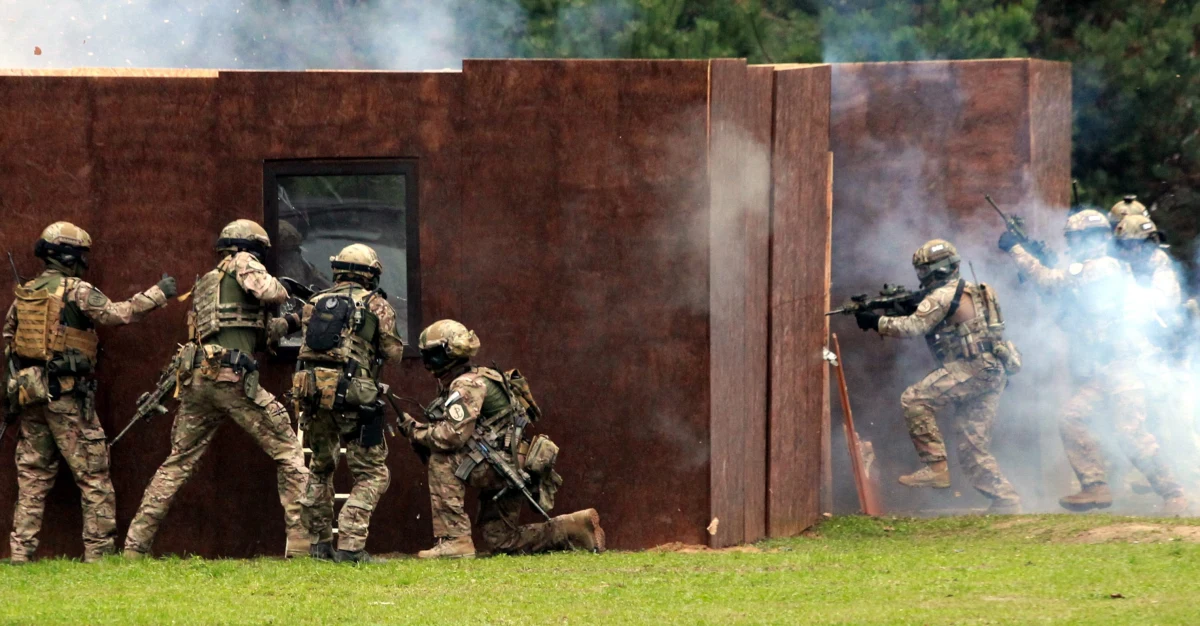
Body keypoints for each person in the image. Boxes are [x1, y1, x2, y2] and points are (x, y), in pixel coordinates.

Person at [123, 219, 310, 558]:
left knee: (176, 464)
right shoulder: (243, 262)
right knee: (289, 450)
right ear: (250, 248)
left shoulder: (211, 283)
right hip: (232, 377)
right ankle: (301, 545)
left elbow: (255, 332)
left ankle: (134, 547)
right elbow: (270, 292)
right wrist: (286, 290)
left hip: (199, 380)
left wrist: (292, 322)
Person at [4, 221, 175, 563]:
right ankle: (98, 555)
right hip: (67, 398)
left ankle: (20, 554)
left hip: (30, 397)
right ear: (71, 256)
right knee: (93, 476)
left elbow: (9, 341)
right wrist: (159, 293)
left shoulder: (27, 292)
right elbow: (117, 314)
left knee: (33, 477)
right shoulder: (76, 290)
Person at [999, 209, 1187, 514]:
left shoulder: (1104, 267)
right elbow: (1064, 304)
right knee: (1072, 418)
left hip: (1127, 365)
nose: (1073, 245)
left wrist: (1017, 251)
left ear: (1093, 239)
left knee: (1131, 434)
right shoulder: (1090, 268)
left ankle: (1174, 494)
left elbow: (1052, 281)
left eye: (1076, 239)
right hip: (1107, 368)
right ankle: (1094, 487)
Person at [399, 319, 604, 558]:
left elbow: (452, 436)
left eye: (431, 354)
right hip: (511, 464)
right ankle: (573, 527)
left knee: (441, 460)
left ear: (449, 352)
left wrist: (416, 431)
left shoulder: (466, 384)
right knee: (501, 540)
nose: (427, 362)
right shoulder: (480, 376)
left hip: (501, 465)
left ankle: (456, 541)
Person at [855, 239, 1022, 513]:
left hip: (972, 368)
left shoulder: (942, 296)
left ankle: (935, 467)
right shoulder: (980, 289)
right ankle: (1006, 501)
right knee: (972, 448)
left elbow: (912, 327)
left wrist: (876, 321)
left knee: (914, 399)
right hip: (994, 369)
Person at [293, 244, 404, 563]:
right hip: (356, 397)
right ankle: (352, 546)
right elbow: (394, 353)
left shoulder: (313, 303)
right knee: (372, 473)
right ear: (372, 274)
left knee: (321, 467)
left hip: (313, 395)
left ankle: (319, 544)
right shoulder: (376, 305)